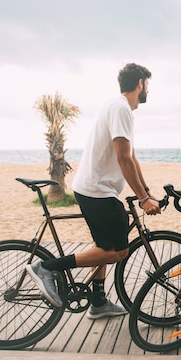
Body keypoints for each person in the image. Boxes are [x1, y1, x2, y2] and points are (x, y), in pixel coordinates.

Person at [26, 63, 161, 319]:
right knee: (119, 251)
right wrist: (142, 198)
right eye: (147, 84)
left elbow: (131, 157)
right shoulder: (121, 108)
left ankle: (98, 301)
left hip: (94, 188)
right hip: (97, 190)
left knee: (104, 246)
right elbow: (123, 158)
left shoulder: (117, 107)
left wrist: (146, 191)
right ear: (140, 83)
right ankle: (46, 268)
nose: (147, 90)